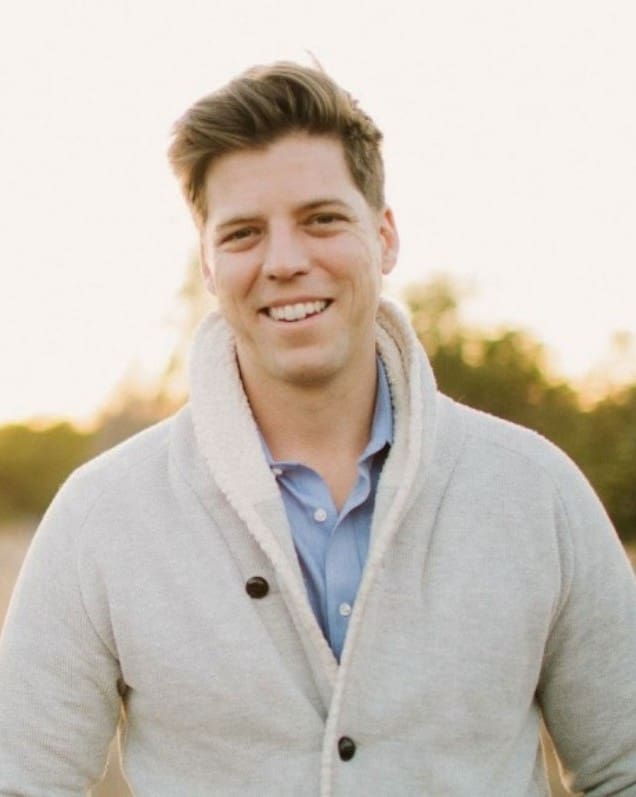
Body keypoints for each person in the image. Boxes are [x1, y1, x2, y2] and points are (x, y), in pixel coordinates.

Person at [0, 62, 635, 797]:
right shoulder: (100, 516)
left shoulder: (538, 491)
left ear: (386, 236)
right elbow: (23, 780)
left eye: (321, 219)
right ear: (208, 264)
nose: (286, 261)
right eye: (243, 233)